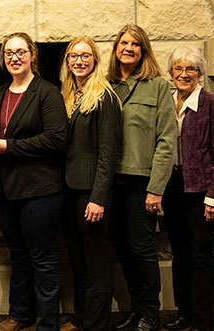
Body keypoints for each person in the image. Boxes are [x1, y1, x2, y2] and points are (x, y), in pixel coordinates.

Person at [0, 32, 67, 331]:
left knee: (42, 257)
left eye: (20, 52)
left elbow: (56, 138)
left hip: (39, 190)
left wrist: (8, 146)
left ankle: (48, 323)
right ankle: (20, 314)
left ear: (32, 55)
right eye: (8, 53)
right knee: (18, 255)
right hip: (5, 189)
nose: (14, 58)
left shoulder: (47, 92)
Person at [107, 24, 176, 331]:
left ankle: (150, 312)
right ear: (116, 49)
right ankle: (135, 310)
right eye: (124, 43)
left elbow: (166, 141)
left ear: (143, 50)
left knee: (142, 249)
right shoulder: (106, 85)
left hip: (141, 183)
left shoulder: (157, 86)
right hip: (111, 182)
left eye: (135, 44)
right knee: (121, 247)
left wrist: (156, 189)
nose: (129, 48)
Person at [161, 46, 214, 331]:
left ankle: (204, 321)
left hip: (202, 191)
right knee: (181, 254)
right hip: (174, 188)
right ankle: (185, 313)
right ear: (171, 72)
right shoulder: (167, 101)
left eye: (191, 69)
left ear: (199, 73)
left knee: (203, 257)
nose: (184, 74)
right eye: (179, 68)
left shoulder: (212, 103)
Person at [59, 37, 122, 331]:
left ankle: (97, 323)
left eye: (85, 56)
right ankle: (83, 316)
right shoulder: (69, 96)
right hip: (70, 190)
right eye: (74, 56)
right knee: (78, 257)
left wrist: (99, 197)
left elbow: (109, 154)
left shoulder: (104, 97)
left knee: (96, 259)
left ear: (95, 60)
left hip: (91, 193)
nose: (79, 61)